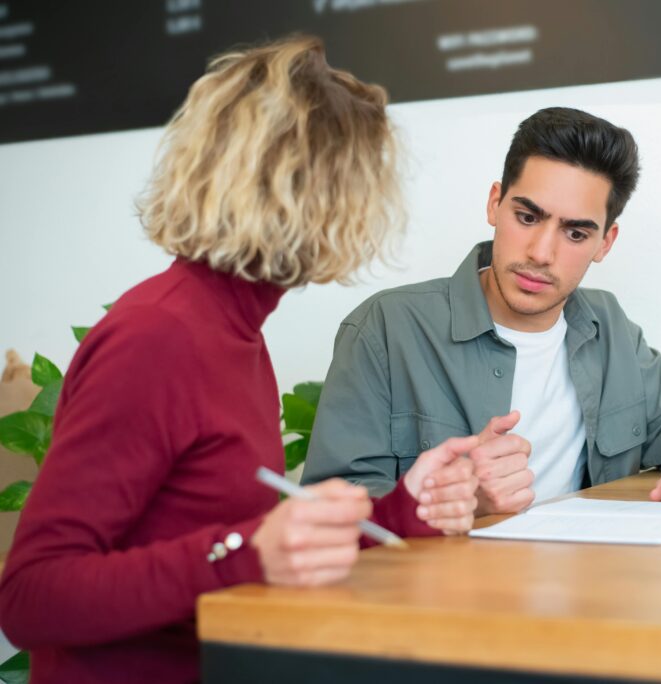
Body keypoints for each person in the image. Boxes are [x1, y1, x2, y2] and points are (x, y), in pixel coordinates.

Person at [0, 36, 478, 684]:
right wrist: (241, 551)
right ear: (314, 197)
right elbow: (31, 596)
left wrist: (400, 511)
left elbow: (241, 542)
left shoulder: (233, 329)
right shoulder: (158, 338)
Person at [303, 106, 661, 514]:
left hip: (587, 590)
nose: (542, 253)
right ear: (494, 204)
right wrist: (457, 500)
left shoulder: (609, 326)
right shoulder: (385, 328)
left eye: (576, 234)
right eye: (527, 217)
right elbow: (331, 503)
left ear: (605, 243)